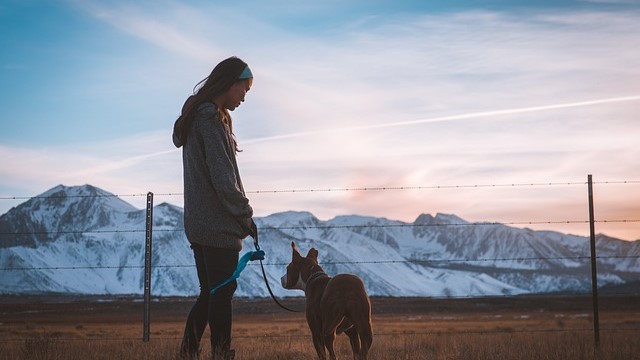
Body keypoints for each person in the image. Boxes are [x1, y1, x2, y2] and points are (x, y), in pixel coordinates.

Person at [172, 56, 257, 360]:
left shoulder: (198, 118)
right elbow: (224, 181)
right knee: (221, 293)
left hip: (198, 222)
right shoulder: (210, 120)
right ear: (230, 83)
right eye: (244, 90)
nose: (244, 97)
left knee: (210, 293)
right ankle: (221, 353)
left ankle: (188, 352)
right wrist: (246, 217)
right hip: (217, 225)